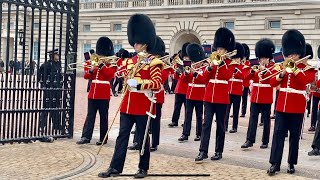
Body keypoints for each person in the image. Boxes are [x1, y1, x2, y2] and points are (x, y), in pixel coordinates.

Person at [98, 14, 163, 179]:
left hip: (143, 105)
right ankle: (115, 167)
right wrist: (122, 74)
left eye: (138, 42)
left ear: (145, 44)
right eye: (134, 42)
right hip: (127, 104)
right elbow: (120, 73)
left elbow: (157, 83)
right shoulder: (129, 61)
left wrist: (139, 83)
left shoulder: (154, 62)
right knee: (122, 137)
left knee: (142, 138)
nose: (135, 44)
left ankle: (143, 168)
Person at [267, 29, 316, 175]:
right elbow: (271, 82)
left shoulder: (308, 69)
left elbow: (304, 81)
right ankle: (275, 163)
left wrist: (294, 70)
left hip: (297, 107)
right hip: (282, 106)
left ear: (299, 53)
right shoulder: (281, 66)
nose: (291, 56)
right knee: (278, 136)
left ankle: (291, 163)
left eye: (294, 54)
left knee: (294, 138)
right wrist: (282, 74)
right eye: (289, 54)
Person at [194, 27, 235, 162]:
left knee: (220, 126)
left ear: (226, 50)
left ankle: (218, 151)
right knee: (206, 124)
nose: (219, 51)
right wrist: (210, 67)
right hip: (209, 96)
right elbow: (204, 78)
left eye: (222, 49)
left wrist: (221, 64)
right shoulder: (212, 61)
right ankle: (203, 151)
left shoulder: (230, 63)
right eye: (218, 49)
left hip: (222, 98)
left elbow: (227, 76)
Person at [76, 37, 117, 145]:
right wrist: (91, 69)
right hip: (93, 93)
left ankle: (103, 138)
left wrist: (102, 65)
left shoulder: (111, 63)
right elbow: (86, 76)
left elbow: (109, 75)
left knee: (103, 117)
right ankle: (86, 136)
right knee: (90, 115)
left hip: (104, 94)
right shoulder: (93, 61)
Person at [241, 38, 275, 149]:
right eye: (261, 58)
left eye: (264, 58)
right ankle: (249, 140)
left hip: (266, 97)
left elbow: (272, 80)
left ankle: (265, 141)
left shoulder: (273, 67)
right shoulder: (255, 66)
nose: (262, 60)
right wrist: (252, 70)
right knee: (253, 119)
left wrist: (265, 69)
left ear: (269, 57)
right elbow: (245, 77)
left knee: (266, 120)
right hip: (255, 97)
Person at [178, 43, 205, 142]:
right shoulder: (190, 68)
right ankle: (185, 134)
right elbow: (184, 80)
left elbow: (203, 80)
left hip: (200, 95)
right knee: (187, 115)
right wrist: (185, 73)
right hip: (189, 94)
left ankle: (199, 133)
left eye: (196, 61)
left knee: (199, 115)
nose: (194, 63)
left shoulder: (203, 69)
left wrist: (195, 73)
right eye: (193, 61)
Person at [37, 48, 62, 142]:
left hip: (57, 89)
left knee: (56, 107)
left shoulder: (59, 64)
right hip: (49, 89)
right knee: (46, 107)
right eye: (56, 54)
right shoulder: (45, 65)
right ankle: (42, 125)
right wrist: (44, 85)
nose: (58, 56)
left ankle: (56, 125)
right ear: (52, 56)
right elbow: (40, 77)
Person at [224, 42, 245, 133]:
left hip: (237, 91)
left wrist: (238, 71)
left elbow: (245, 77)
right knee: (226, 110)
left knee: (235, 111)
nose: (235, 59)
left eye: (237, 58)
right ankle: (224, 126)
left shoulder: (243, 67)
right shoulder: (230, 66)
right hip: (229, 90)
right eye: (234, 58)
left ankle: (234, 127)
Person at [168, 43, 190, 127]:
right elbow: (176, 77)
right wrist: (177, 73)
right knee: (177, 106)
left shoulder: (192, 65)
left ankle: (186, 122)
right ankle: (174, 121)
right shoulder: (179, 63)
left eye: (186, 57)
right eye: (184, 57)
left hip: (187, 89)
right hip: (179, 88)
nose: (185, 58)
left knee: (187, 108)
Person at [240, 43, 251, 117]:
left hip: (245, 83)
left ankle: (243, 112)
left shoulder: (248, 63)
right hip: (239, 83)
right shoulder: (238, 63)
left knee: (244, 99)